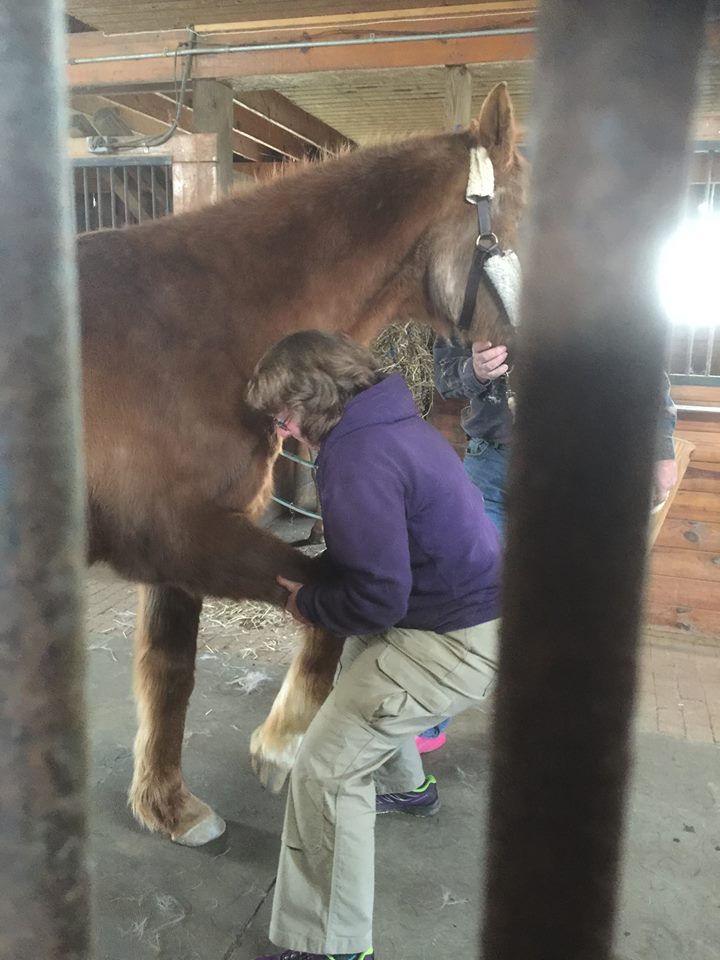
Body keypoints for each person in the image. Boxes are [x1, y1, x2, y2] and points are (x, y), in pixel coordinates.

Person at [246, 330, 502, 960]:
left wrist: (305, 602)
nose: (284, 432)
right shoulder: (391, 419)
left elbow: (378, 598)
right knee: (362, 669)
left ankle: (330, 943)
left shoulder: (354, 455)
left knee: (326, 772)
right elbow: (383, 555)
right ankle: (410, 786)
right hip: (460, 613)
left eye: (283, 417)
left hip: (452, 643)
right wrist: (328, 576)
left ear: (310, 402)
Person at [433, 337, 679, 539]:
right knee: (481, 578)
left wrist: (662, 451)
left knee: (563, 584)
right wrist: (474, 371)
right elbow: (444, 378)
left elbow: (644, 367)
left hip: (576, 464)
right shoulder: (468, 286)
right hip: (492, 466)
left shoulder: (595, 282)